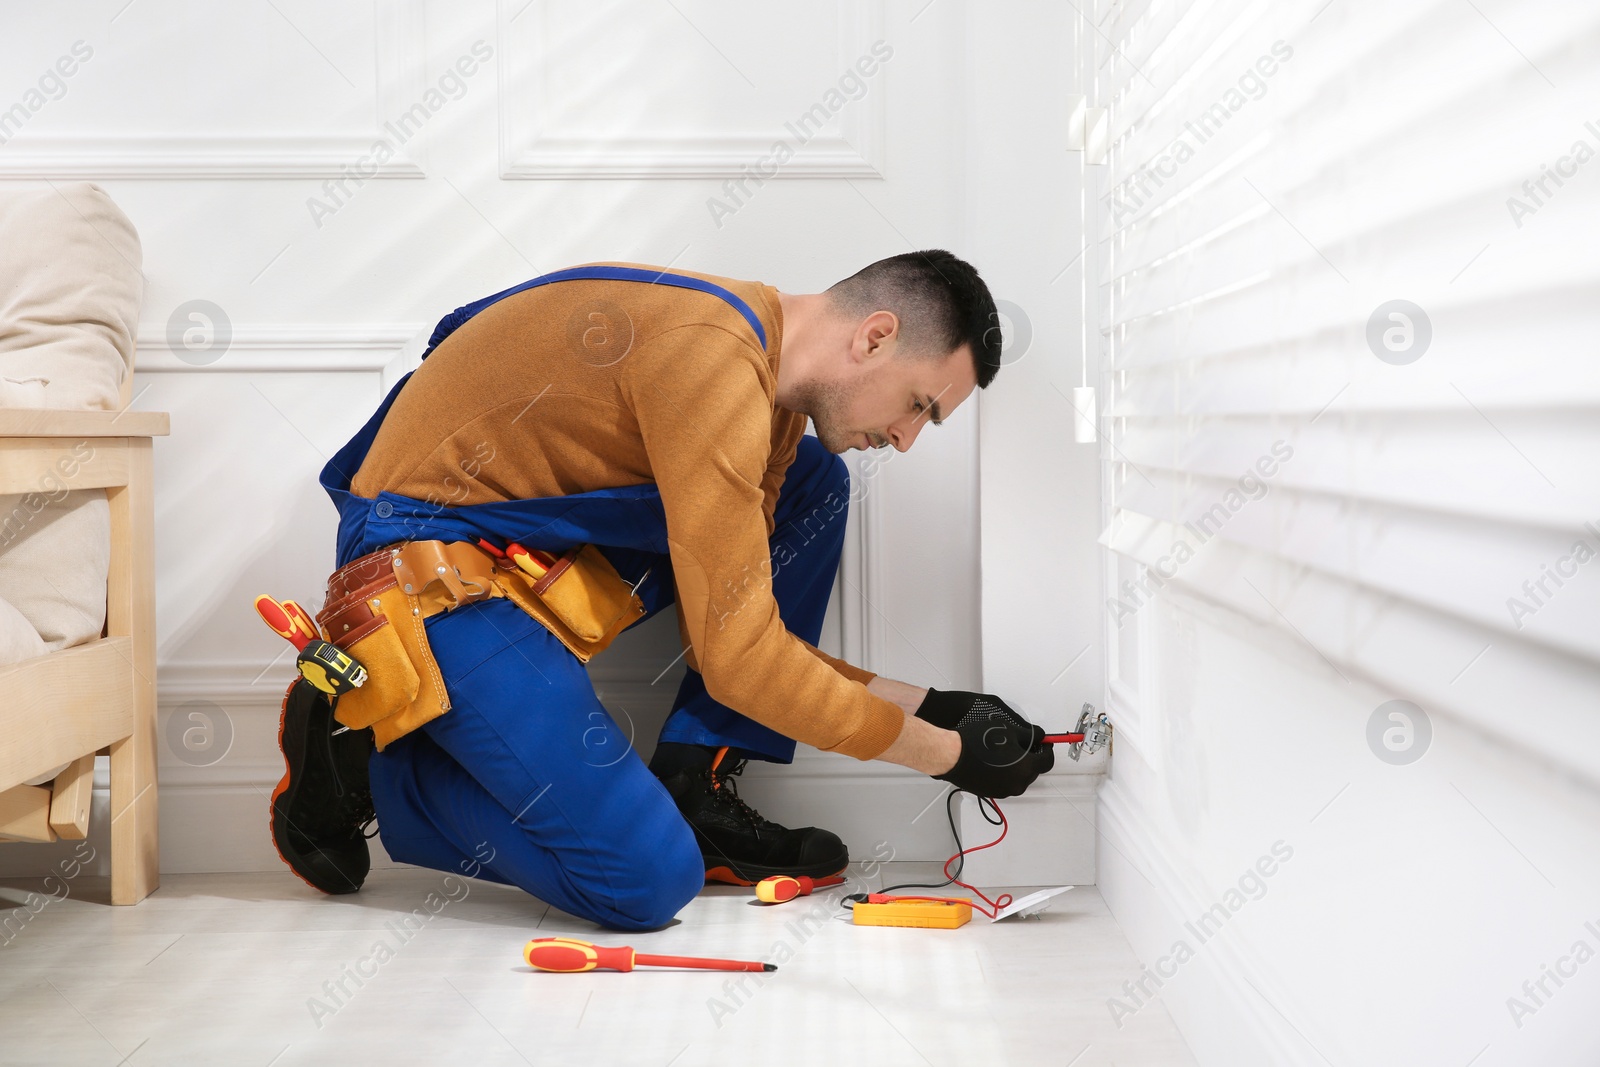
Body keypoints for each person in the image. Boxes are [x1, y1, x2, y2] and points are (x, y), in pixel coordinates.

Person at [269, 251, 1054, 931]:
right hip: (423, 568)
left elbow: (746, 625)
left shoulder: (770, 386)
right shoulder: (712, 361)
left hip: (520, 540)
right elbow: (742, 659)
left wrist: (931, 704)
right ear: (876, 335)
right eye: (919, 404)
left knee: (816, 486)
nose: (908, 438)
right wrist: (944, 753)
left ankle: (694, 778)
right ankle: (367, 760)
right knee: (644, 878)